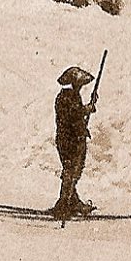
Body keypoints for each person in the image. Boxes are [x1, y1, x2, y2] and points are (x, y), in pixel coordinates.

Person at [53, 66, 99, 217]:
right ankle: (64, 204)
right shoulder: (65, 97)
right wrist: (86, 109)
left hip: (76, 138)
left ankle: (72, 201)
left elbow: (77, 114)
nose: (80, 87)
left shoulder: (74, 96)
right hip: (68, 140)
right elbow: (72, 115)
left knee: (75, 171)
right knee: (71, 171)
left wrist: (88, 107)